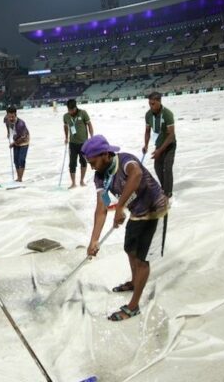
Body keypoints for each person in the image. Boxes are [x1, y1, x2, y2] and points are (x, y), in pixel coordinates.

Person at [83, 135, 168, 321]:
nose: (92, 167)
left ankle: (134, 305)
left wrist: (120, 206)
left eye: (93, 162)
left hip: (154, 209)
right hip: (136, 212)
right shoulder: (100, 177)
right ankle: (134, 281)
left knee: (141, 260)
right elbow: (101, 208)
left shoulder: (125, 160)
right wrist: (94, 240)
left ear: (105, 154)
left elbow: (136, 175)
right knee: (129, 249)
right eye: (89, 163)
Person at [142, 92, 176, 198]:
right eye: (149, 104)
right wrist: (146, 145)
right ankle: (164, 189)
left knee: (167, 167)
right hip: (159, 145)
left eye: (153, 104)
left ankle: (168, 193)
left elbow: (171, 135)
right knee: (157, 167)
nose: (151, 106)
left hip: (170, 145)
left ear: (159, 102)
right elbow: (147, 131)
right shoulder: (148, 115)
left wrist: (159, 151)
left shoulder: (167, 114)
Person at [63, 99, 94, 188]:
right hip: (72, 144)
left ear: (75, 107)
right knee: (72, 163)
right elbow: (65, 126)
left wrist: (92, 137)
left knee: (83, 162)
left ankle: (82, 181)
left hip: (84, 143)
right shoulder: (66, 116)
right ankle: (73, 183)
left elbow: (89, 125)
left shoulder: (83, 113)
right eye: (69, 110)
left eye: (72, 110)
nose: (70, 112)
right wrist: (66, 137)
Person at [4, 106, 30, 182]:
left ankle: (20, 178)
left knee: (21, 159)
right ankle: (18, 177)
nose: (11, 119)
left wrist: (13, 144)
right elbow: (7, 124)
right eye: (9, 117)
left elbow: (23, 138)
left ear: (16, 115)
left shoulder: (21, 124)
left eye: (12, 117)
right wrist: (8, 132)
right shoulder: (6, 119)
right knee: (16, 160)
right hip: (16, 138)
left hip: (24, 140)